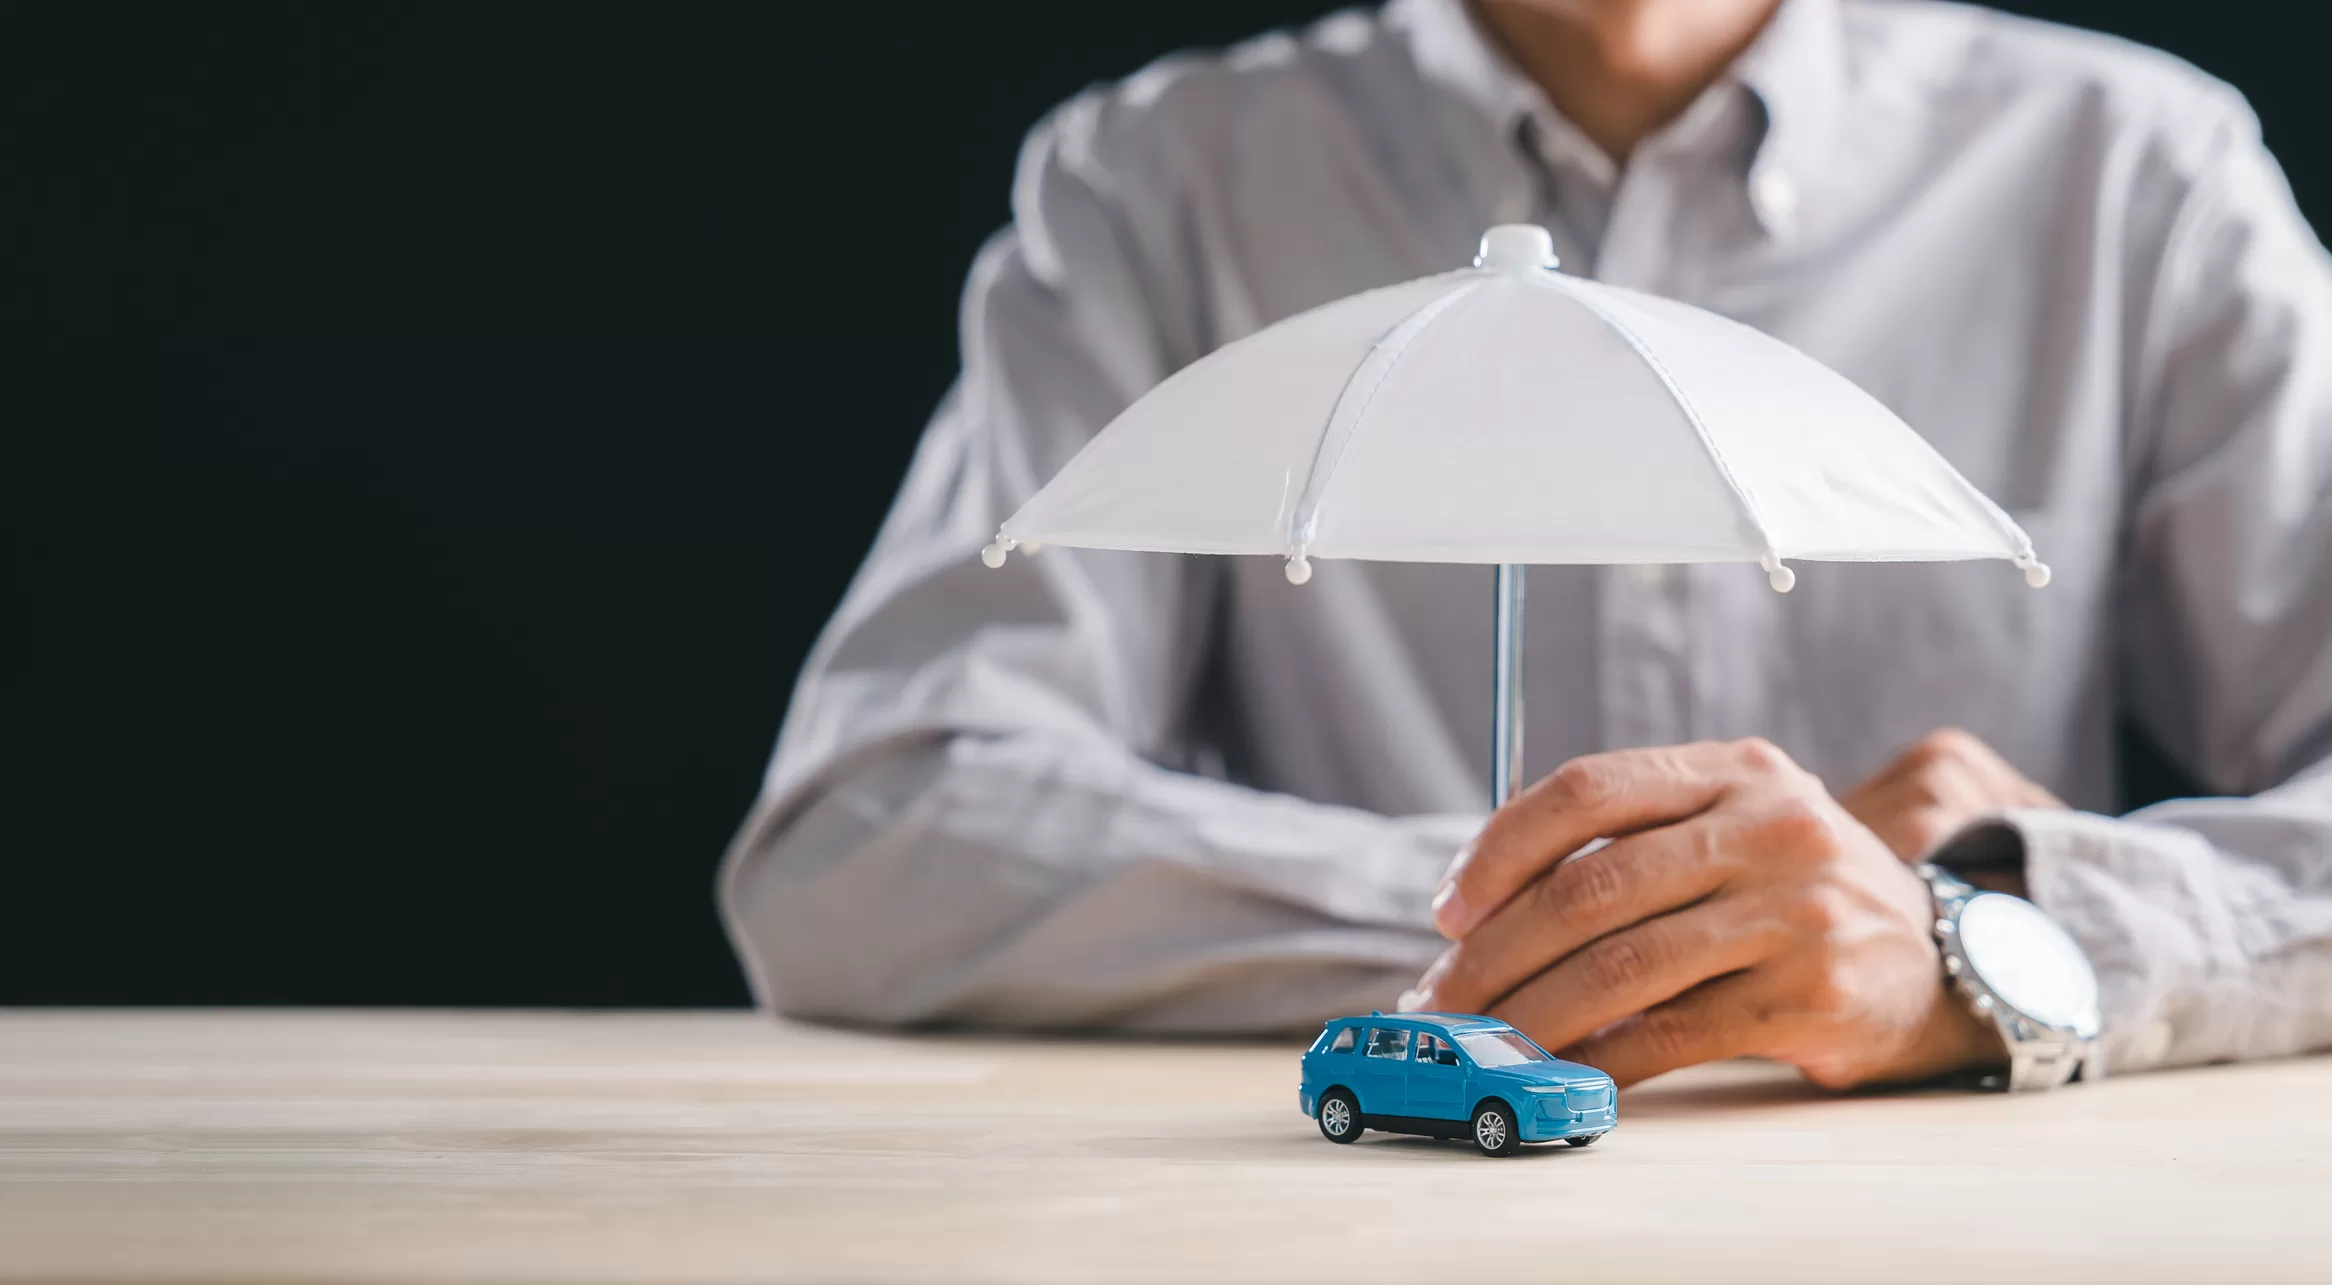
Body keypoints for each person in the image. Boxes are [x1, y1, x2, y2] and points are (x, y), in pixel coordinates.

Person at [721, 0, 2332, 1090]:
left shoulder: (2141, 178)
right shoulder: (1164, 184)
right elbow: (868, 848)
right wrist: (1713, 916)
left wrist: (1985, 947)